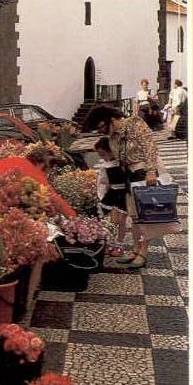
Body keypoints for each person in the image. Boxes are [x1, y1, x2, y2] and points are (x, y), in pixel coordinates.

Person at [84, 104, 160, 270]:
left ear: (110, 119)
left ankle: (143, 252)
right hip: (128, 177)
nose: (102, 132)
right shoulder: (113, 137)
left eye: (102, 127)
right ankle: (135, 250)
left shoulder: (134, 123)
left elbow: (150, 147)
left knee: (144, 216)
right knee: (133, 216)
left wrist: (151, 172)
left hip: (143, 173)